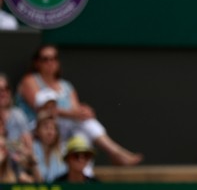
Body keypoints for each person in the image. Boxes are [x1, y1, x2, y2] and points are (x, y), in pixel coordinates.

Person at [15, 44, 143, 166]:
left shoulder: (66, 85)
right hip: (38, 128)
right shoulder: (30, 80)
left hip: (63, 130)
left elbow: (75, 111)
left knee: (83, 132)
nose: (50, 62)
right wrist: (74, 114)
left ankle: (86, 176)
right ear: (37, 62)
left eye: (54, 58)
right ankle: (115, 152)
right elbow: (43, 108)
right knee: (85, 123)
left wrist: (84, 113)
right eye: (45, 59)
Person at [0, 73, 32, 152]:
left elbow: (28, 145)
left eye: (6, 89)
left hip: (16, 163)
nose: (3, 93)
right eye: (0, 90)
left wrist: (5, 144)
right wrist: (17, 144)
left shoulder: (18, 114)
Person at [32, 111, 66, 182]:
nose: (50, 132)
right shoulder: (31, 149)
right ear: (37, 131)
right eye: (46, 127)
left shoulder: (63, 150)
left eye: (53, 128)